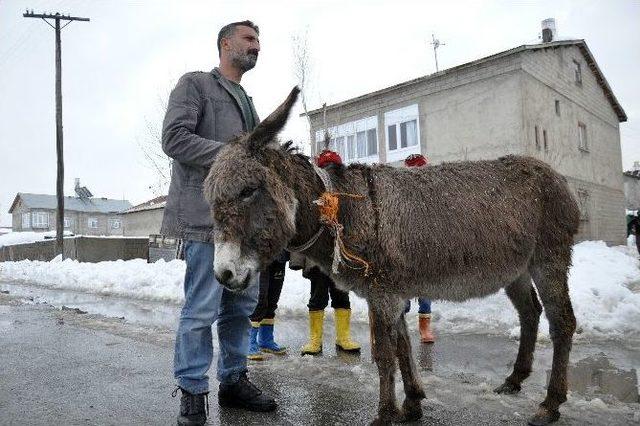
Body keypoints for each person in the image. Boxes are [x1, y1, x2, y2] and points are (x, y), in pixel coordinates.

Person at [161, 20, 276, 426]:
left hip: (244, 229)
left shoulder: (246, 100)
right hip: (205, 219)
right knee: (201, 309)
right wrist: (234, 154)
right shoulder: (195, 85)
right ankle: (192, 391)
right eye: (248, 39)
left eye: (258, 41)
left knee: (241, 307)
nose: (256, 46)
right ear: (225, 44)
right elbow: (173, 138)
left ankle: (233, 379)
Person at [290, 149, 361, 356]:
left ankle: (343, 338)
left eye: (334, 168)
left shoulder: (345, 193)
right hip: (317, 258)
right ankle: (315, 340)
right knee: (317, 297)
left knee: (341, 296)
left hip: (340, 257)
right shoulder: (310, 193)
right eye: (327, 168)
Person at [403, 154, 435, 344]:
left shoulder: (433, 195)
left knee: (425, 293)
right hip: (406, 250)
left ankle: (425, 329)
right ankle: (401, 326)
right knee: (404, 293)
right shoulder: (403, 195)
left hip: (427, 250)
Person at [247, 251, 289, 360]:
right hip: (260, 254)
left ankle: (266, 340)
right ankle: (249, 342)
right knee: (260, 298)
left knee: (272, 298)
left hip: (280, 253)